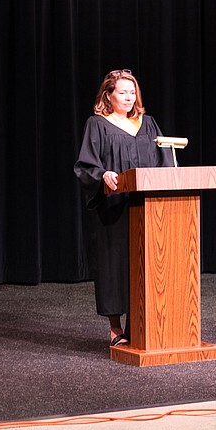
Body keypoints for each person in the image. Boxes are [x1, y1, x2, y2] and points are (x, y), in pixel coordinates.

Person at [74, 69, 174, 348]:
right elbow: (86, 165)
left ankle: (145, 322)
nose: (128, 97)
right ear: (109, 95)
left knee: (150, 261)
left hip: (149, 208)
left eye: (132, 92)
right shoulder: (98, 124)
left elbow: (165, 160)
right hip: (114, 206)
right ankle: (115, 328)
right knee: (115, 264)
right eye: (122, 92)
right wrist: (102, 175)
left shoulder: (149, 124)